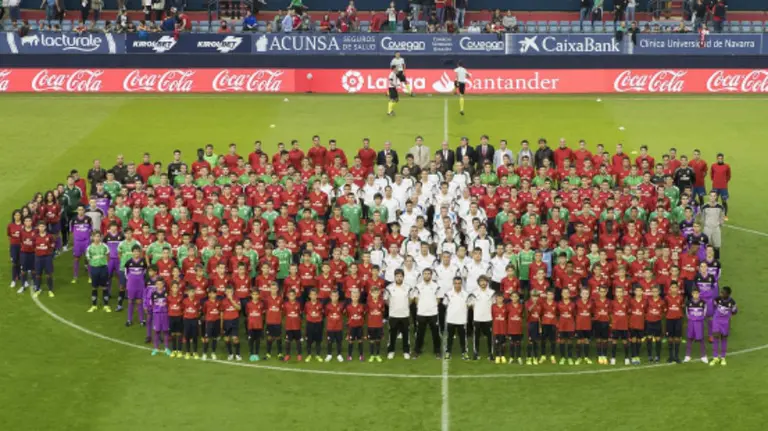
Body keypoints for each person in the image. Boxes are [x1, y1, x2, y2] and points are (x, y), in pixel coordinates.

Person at [413, 268, 441, 358]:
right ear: (422, 275)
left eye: (428, 273)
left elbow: (438, 299)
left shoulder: (436, 286)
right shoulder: (418, 286)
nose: (427, 275)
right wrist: (422, 307)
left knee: (435, 334)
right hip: (421, 313)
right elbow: (416, 299)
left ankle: (437, 351)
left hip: (433, 313)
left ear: (431, 275)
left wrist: (432, 307)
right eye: (425, 273)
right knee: (420, 333)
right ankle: (417, 351)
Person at [386, 269, 411, 359]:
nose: (399, 278)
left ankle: (406, 351)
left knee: (405, 334)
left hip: (404, 315)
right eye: (397, 276)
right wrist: (393, 307)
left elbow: (410, 300)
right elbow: (386, 300)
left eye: (401, 276)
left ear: (403, 277)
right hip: (393, 315)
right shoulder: (389, 288)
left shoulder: (408, 287)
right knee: (392, 334)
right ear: (394, 277)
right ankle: (391, 351)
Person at [710, 286, 736, 366]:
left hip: (725, 322)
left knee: (724, 338)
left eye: (723, 293)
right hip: (716, 320)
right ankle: (715, 357)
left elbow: (734, 311)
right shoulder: (717, 299)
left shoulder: (732, 302)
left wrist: (728, 316)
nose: (721, 294)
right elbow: (714, 305)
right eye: (721, 292)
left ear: (728, 294)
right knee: (716, 337)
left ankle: (723, 357)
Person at [470, 275, 494, 361]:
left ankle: (490, 354)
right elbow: (471, 305)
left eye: (484, 281)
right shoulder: (474, 293)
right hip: (477, 319)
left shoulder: (492, 293)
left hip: (488, 318)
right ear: (478, 283)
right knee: (476, 337)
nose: (483, 283)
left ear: (487, 282)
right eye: (481, 281)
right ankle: (476, 353)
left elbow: (494, 305)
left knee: (490, 337)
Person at [85, 231, 110, 310]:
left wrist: (105, 263)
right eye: (95, 236)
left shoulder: (105, 246)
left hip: (103, 268)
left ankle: (106, 305)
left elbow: (108, 255)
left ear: (101, 237)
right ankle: (94, 305)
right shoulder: (89, 248)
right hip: (94, 269)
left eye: (98, 236)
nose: (97, 238)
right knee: (94, 287)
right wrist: (93, 265)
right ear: (92, 237)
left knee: (105, 287)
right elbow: (88, 259)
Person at [684, 288, 708, 363]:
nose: (695, 295)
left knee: (701, 339)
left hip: (699, 323)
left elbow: (704, 313)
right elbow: (687, 313)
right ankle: (687, 355)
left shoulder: (703, 303)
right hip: (691, 322)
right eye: (694, 293)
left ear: (699, 294)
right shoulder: (688, 302)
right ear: (692, 294)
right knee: (689, 338)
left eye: (697, 293)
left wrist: (698, 318)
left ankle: (703, 356)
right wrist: (692, 318)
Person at [149, 279, 171, 356]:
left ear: (163, 285)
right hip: (157, 314)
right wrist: (155, 310)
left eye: (161, 284)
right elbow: (151, 304)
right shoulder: (153, 294)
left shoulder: (166, 293)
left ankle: (166, 348)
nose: (159, 286)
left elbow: (169, 303)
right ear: (156, 285)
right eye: (157, 284)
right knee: (156, 331)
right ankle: (156, 348)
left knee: (165, 331)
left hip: (165, 314)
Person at [33, 221, 55, 298]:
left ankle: (50, 290)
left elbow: (53, 245)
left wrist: (50, 252)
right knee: (38, 274)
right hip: (38, 257)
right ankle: (37, 289)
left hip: (47, 257)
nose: (41, 228)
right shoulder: (35, 237)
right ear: (38, 227)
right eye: (40, 226)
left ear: (45, 227)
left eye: (43, 226)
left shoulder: (49, 236)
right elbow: (33, 246)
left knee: (49, 274)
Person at [221, 285, 243, 361]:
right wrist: (221, 324)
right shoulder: (223, 301)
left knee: (235, 338)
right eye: (227, 292)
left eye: (231, 292)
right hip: (226, 321)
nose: (229, 293)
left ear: (233, 292)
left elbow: (239, 308)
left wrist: (231, 300)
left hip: (234, 320)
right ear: (225, 293)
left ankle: (237, 354)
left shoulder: (236, 299)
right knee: (226, 338)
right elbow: (222, 312)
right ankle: (230, 354)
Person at [304, 288, 325, 362]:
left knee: (318, 341)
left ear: (317, 295)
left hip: (318, 324)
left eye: (315, 294)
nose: (313, 296)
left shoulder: (320, 304)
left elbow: (323, 313)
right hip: (310, 324)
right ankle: (309, 355)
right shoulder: (307, 304)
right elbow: (306, 312)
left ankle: (318, 355)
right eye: (312, 294)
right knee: (309, 340)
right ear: (309, 296)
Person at [202, 287, 222, 361]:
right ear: (208, 294)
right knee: (207, 338)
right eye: (211, 293)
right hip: (209, 322)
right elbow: (204, 312)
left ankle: (213, 353)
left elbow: (220, 311)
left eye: (214, 293)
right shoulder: (206, 303)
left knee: (214, 338)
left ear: (216, 294)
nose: (212, 294)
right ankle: (204, 353)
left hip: (216, 321)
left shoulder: (218, 302)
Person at [367, 286, 386, 362]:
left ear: (379, 293)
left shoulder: (381, 302)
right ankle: (372, 355)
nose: (375, 294)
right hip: (371, 325)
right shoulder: (368, 303)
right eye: (374, 293)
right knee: (371, 340)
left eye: (377, 293)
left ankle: (377, 355)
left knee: (378, 340)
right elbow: (367, 312)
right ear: (371, 293)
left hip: (379, 325)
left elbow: (382, 311)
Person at [325, 290, 345, 362]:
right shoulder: (328, 306)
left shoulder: (341, 305)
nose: (334, 297)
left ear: (338, 297)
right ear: (330, 297)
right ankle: (329, 354)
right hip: (330, 327)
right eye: (333, 296)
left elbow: (343, 313)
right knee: (330, 341)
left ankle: (339, 354)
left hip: (338, 327)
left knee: (339, 342)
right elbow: (327, 314)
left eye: (336, 296)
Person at [710, 153, 731, 219]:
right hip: (715, 186)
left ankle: (725, 215)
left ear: (723, 159)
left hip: (723, 187)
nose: (720, 160)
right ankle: (714, 214)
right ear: (717, 159)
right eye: (719, 158)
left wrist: (724, 181)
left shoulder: (727, 166)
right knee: (714, 200)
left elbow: (728, 176)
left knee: (724, 201)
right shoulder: (713, 166)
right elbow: (712, 175)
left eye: (721, 158)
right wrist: (715, 181)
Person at [182, 287, 201, 359]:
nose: (191, 294)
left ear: (195, 293)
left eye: (193, 292)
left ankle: (195, 352)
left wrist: (196, 317)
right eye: (190, 292)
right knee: (187, 336)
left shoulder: (197, 301)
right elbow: (183, 309)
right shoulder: (185, 301)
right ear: (187, 293)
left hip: (194, 320)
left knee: (195, 336)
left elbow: (199, 310)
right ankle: (187, 352)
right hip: (187, 320)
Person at [167, 282, 184, 358]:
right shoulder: (168, 297)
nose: (175, 289)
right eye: (173, 287)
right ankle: (174, 350)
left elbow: (183, 307)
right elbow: (167, 306)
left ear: (178, 288)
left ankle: (179, 350)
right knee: (173, 334)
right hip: (171, 317)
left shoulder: (181, 297)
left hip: (179, 317)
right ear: (171, 288)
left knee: (179, 334)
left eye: (176, 287)